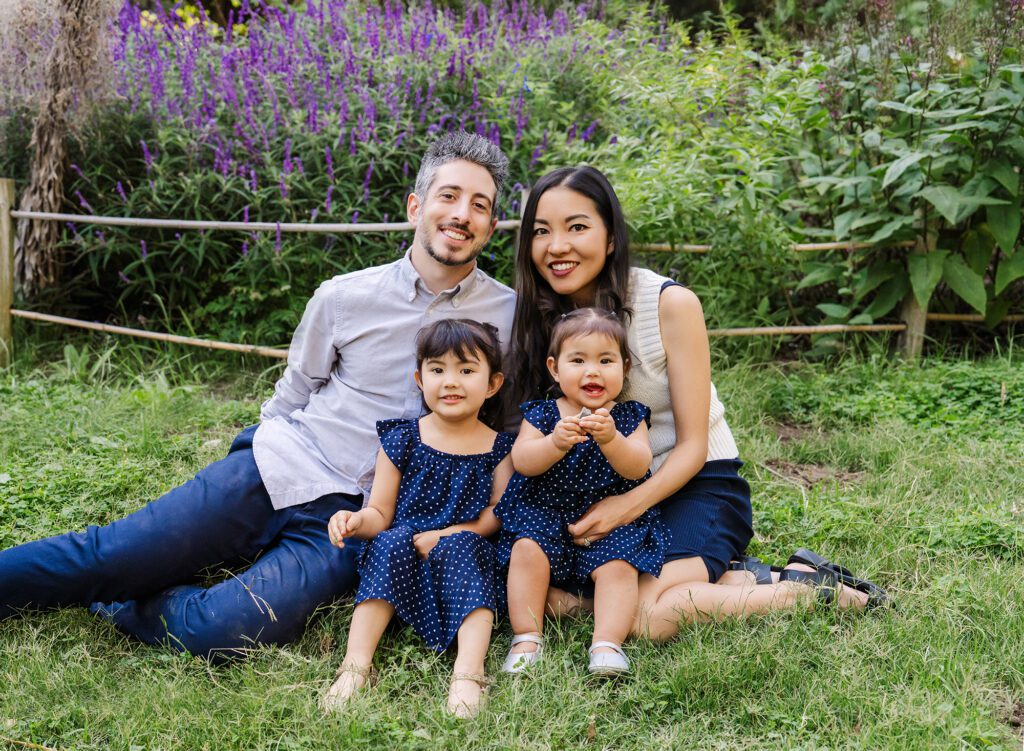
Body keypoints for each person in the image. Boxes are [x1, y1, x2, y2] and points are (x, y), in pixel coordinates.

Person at [0, 131, 517, 660]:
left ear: (491, 227)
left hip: (356, 521)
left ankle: (120, 602)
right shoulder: (345, 296)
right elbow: (295, 390)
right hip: (284, 464)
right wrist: (249, 466)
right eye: (448, 196)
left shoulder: (508, 315)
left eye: (480, 205)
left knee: (225, 630)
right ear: (416, 206)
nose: (462, 214)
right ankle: (111, 577)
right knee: (109, 556)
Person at [507, 166, 887, 642]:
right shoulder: (537, 316)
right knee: (532, 588)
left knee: (644, 619)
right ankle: (746, 578)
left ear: (610, 239)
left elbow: (691, 447)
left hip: (694, 483)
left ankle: (803, 593)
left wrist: (623, 508)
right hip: (599, 491)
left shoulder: (669, 304)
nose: (557, 246)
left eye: (577, 227)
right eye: (541, 232)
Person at [321, 319, 513, 719]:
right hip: (405, 553)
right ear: (419, 378)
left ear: (492, 384)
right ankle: (355, 666)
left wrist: (450, 533)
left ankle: (468, 672)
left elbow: (497, 512)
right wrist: (356, 520)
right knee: (389, 541)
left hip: (464, 551)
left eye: (466, 370)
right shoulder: (403, 438)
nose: (451, 381)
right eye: (437, 369)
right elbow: (380, 512)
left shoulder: (500, 448)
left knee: (465, 547)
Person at [497, 307, 668, 677]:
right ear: (555, 369)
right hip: (545, 514)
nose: (592, 370)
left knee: (619, 566)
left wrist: (610, 439)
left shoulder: (627, 417)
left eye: (606, 360)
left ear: (624, 368)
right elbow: (523, 460)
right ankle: (527, 637)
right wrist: (554, 444)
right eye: (578, 360)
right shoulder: (543, 416)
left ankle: (607, 643)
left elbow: (638, 465)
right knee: (526, 551)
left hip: (610, 522)